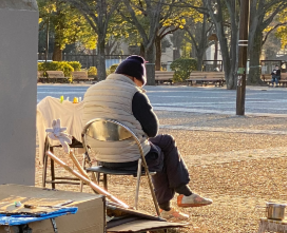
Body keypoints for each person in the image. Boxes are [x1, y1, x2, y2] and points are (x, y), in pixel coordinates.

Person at [81, 56, 212, 223]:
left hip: (101, 158)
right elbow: (152, 130)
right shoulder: (134, 94)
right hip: (130, 158)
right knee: (165, 144)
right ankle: (179, 197)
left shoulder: (92, 90)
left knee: (158, 149)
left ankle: (177, 199)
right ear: (136, 77)